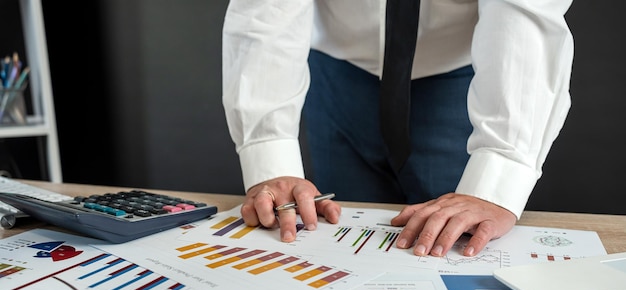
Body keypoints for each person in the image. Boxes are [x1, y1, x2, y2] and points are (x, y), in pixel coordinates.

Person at [221, 0, 574, 257]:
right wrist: (271, 159)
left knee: (453, 247)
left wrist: (498, 176)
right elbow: (265, 11)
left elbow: (523, 13)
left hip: (468, 79)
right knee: (338, 246)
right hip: (337, 71)